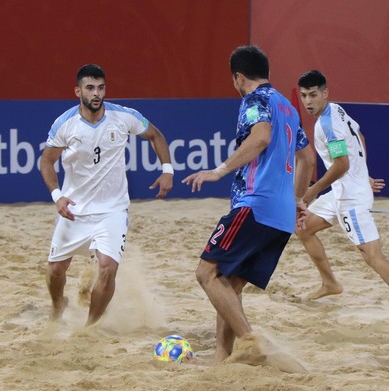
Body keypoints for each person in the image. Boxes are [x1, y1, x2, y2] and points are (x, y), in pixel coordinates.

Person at [182, 45, 314, 371]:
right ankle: (223, 358)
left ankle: (249, 342)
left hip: (255, 204)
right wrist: (298, 200)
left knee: (206, 272)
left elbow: (261, 137)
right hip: (281, 215)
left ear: (239, 77)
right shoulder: (288, 106)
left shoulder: (253, 100)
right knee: (229, 283)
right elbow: (307, 159)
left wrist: (220, 170)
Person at [39, 64, 174, 326]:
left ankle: (90, 327)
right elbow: (46, 162)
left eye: (100, 88)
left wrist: (167, 170)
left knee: (108, 269)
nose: (96, 93)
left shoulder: (123, 116)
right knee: (56, 270)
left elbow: (155, 135)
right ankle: (58, 304)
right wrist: (58, 196)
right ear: (78, 91)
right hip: (74, 210)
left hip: (112, 210)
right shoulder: (64, 124)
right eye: (90, 88)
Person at [295, 70, 389, 324]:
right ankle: (330, 283)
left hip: (350, 198)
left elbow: (341, 164)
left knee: (372, 256)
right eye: (303, 96)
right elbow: (361, 138)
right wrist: (364, 173)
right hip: (342, 191)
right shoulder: (336, 110)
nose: (308, 101)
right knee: (303, 229)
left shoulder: (326, 124)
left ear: (325, 93)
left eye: (313, 95)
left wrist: (312, 191)